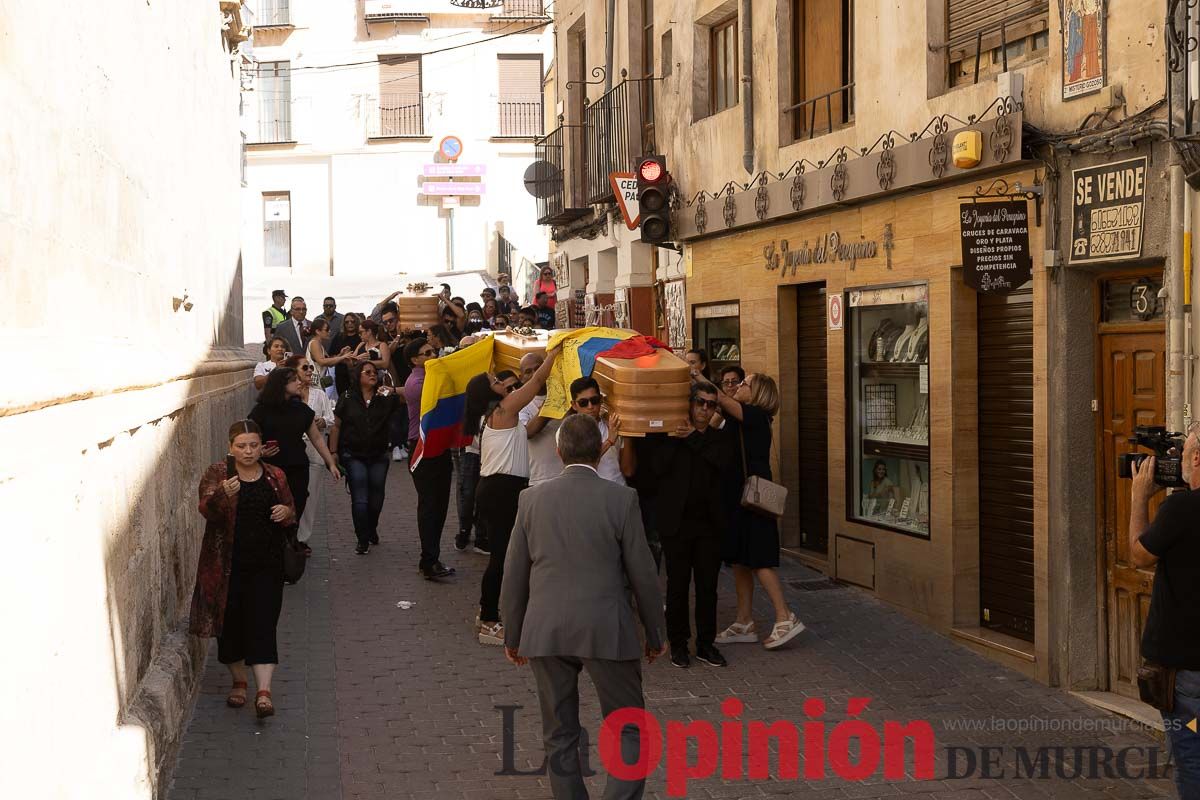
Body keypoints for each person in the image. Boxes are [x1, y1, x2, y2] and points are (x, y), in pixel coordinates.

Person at [500, 414, 667, 800]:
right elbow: (643, 572)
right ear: (599, 450)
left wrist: (513, 633)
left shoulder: (530, 500)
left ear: (558, 452)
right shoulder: (622, 499)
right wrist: (655, 632)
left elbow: (514, 574)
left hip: (545, 628)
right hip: (606, 626)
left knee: (559, 731)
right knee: (627, 725)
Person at [190, 420, 297, 719]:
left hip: (267, 565)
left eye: (253, 445)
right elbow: (207, 511)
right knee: (231, 627)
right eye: (241, 446)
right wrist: (223, 493)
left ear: (261, 446)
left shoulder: (275, 476)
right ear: (230, 447)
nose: (248, 451)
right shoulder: (218, 474)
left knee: (264, 624)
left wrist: (286, 512)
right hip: (226, 566)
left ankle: (264, 692)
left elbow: (291, 510)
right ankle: (239, 680)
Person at [469, 350, 560, 645]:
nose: (500, 380)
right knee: (501, 558)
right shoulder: (504, 409)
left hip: (501, 488)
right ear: (489, 391)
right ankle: (489, 620)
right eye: (494, 380)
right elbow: (536, 384)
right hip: (501, 490)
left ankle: (488, 611)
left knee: (506, 556)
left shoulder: (494, 414)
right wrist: (555, 355)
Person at [638, 384, 731, 669]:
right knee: (677, 588)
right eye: (700, 403)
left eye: (711, 405)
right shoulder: (669, 438)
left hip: (709, 527)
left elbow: (721, 464)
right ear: (689, 404)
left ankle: (705, 644)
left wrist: (693, 438)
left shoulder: (718, 439)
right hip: (676, 526)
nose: (705, 409)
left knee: (707, 588)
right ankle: (678, 644)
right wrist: (679, 438)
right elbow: (656, 469)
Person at [1129, 427, 1200, 797]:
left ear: (1197, 459)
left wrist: (1139, 497)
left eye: (1183, 454)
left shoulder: (1181, 509)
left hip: (1189, 680)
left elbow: (1138, 555)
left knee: (1193, 758)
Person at [712, 373, 805, 650]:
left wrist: (694, 375)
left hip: (753, 501)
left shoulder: (755, 416)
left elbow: (718, 397)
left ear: (758, 393)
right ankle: (744, 621)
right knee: (740, 559)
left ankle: (785, 616)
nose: (738, 386)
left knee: (760, 559)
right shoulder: (739, 417)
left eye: (745, 384)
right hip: (737, 500)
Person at [249, 367, 340, 528]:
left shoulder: (302, 410)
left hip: (297, 468)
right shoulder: (261, 411)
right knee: (272, 515)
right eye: (294, 380)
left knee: (295, 511)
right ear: (281, 384)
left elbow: (317, 438)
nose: (299, 382)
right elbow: (249, 438)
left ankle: (292, 545)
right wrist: (260, 451)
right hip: (270, 470)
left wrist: (331, 463)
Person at [329, 360, 401, 555]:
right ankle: (362, 538)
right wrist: (333, 452)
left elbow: (406, 399)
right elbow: (337, 425)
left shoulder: (384, 396)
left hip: (378, 454)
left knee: (376, 497)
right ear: (358, 376)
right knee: (360, 497)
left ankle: (371, 528)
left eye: (374, 372)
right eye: (367, 372)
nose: (372, 375)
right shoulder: (347, 396)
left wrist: (392, 390)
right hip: (353, 454)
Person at [404, 338, 456, 580]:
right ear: (415, 360)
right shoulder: (418, 383)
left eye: (432, 351)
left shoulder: (431, 376)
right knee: (430, 506)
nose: (432, 355)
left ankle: (432, 557)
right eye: (426, 353)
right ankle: (429, 560)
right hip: (423, 448)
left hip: (438, 447)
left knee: (439, 505)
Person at [284, 355, 335, 555]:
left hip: (315, 451)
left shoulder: (319, 395)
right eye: (305, 367)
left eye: (311, 368)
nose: (309, 371)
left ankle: (302, 538)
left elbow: (330, 419)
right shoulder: (286, 397)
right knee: (291, 494)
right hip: (293, 450)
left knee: (311, 495)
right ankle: (289, 535)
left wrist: (322, 421)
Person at [568, 377, 634, 485]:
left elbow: (628, 471)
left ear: (601, 399)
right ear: (574, 405)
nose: (590, 407)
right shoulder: (568, 431)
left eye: (594, 401)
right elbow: (583, 464)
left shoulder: (613, 425)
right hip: (589, 493)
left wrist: (628, 434)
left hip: (617, 490)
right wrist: (609, 441)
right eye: (583, 403)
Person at [520, 354, 563, 487]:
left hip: (566, 476)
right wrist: (549, 407)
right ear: (521, 378)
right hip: (539, 479)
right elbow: (527, 432)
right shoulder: (519, 402)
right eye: (528, 371)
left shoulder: (564, 395)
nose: (535, 374)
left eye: (539, 368)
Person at [306, 319, 352, 402]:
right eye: (326, 329)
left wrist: (340, 354)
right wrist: (342, 357)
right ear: (318, 331)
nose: (329, 332)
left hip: (318, 383)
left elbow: (329, 362)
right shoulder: (314, 343)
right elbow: (322, 361)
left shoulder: (319, 344)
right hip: (314, 383)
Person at [330, 313, 363, 397]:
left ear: (357, 322)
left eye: (352, 321)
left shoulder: (361, 337)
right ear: (344, 324)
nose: (350, 324)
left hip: (357, 373)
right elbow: (331, 356)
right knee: (343, 398)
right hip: (341, 374)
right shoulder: (339, 337)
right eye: (347, 322)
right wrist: (341, 356)